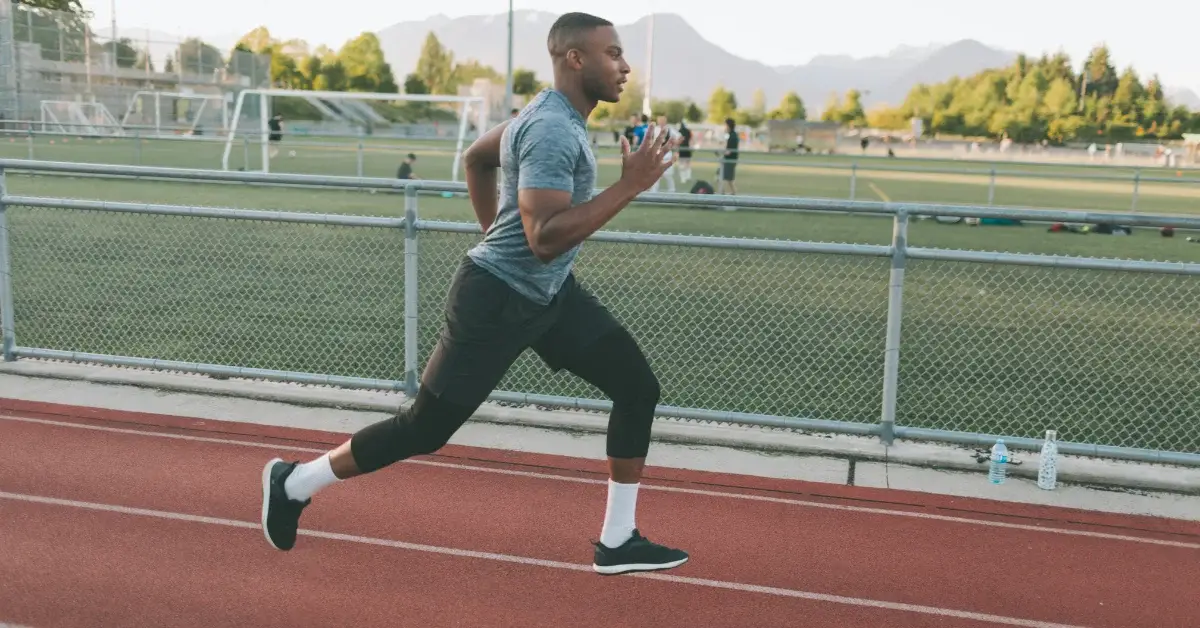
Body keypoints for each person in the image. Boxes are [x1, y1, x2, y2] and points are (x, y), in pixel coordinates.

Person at [260, 11, 689, 577]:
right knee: (424, 429)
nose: (625, 65)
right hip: (497, 301)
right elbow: (543, 238)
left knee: (637, 387)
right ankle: (294, 482)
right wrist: (629, 186)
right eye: (612, 53)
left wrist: (494, 232)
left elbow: (476, 159)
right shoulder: (554, 129)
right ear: (574, 59)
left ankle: (617, 539)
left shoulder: (548, 116)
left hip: (550, 296)